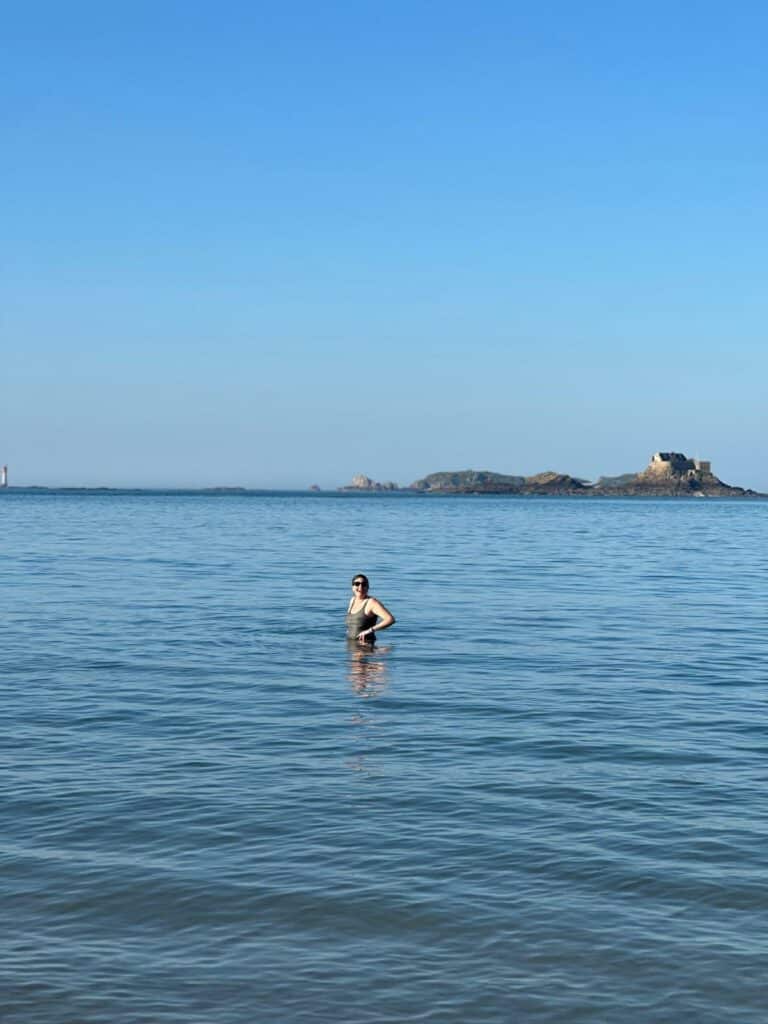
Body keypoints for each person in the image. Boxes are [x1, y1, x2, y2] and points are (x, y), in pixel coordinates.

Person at [345, 574, 395, 645]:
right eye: (357, 584)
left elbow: (390, 619)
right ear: (352, 587)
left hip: (365, 646)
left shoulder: (371, 603)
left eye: (364, 584)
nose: (360, 587)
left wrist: (370, 630)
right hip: (351, 645)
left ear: (368, 587)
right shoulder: (353, 600)